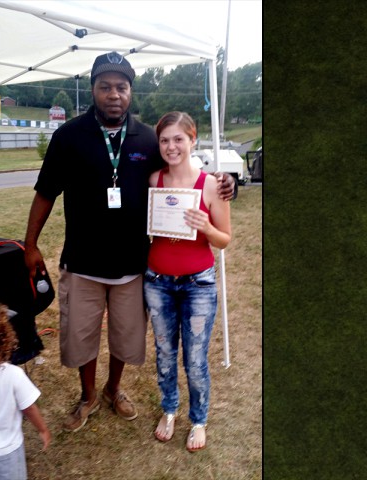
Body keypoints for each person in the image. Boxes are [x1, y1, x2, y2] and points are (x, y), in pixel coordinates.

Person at [23, 51, 235, 433]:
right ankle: (87, 396)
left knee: (126, 336)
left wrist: (223, 180)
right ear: (93, 89)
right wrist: (31, 244)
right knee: (81, 337)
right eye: (105, 87)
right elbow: (45, 193)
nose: (114, 94)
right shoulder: (68, 136)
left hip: (133, 265)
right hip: (83, 262)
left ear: (131, 91)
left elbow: (182, 166)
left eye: (121, 87)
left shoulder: (146, 138)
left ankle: (112, 390)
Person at [143, 112, 232, 452]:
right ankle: (169, 409)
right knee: (165, 353)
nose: (171, 146)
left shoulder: (213, 185)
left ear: (193, 139)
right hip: (157, 282)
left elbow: (224, 239)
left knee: (195, 359)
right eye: (164, 140)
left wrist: (206, 227)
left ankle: (198, 419)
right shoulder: (153, 181)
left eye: (178, 139)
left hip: (198, 285)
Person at [0, 301, 51, 480]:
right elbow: (29, 408)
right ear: (5, 341)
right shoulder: (14, 375)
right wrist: (42, 429)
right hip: (7, 452)